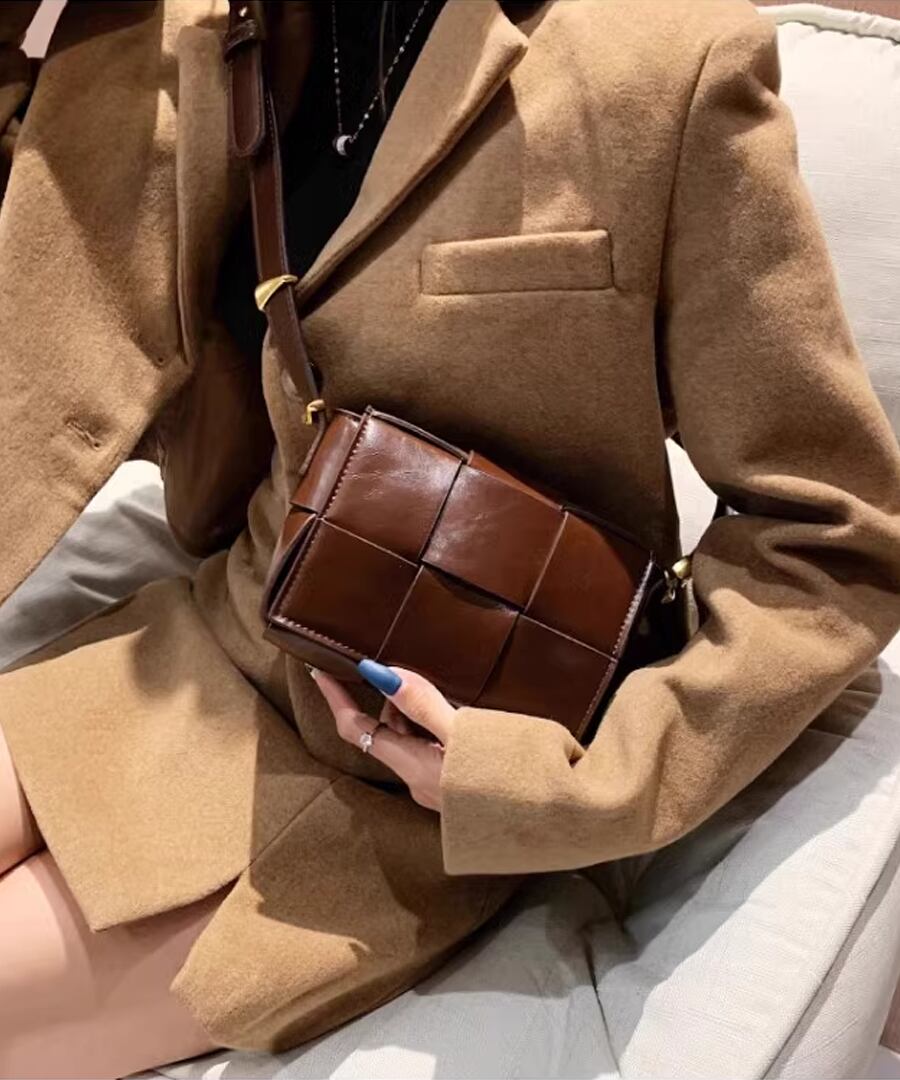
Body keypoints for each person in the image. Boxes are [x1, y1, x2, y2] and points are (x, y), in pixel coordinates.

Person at [1, 0, 898, 1076]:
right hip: (212, 635)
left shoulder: (663, 60)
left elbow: (834, 537)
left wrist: (552, 785)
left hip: (392, 790)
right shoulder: (204, 30)